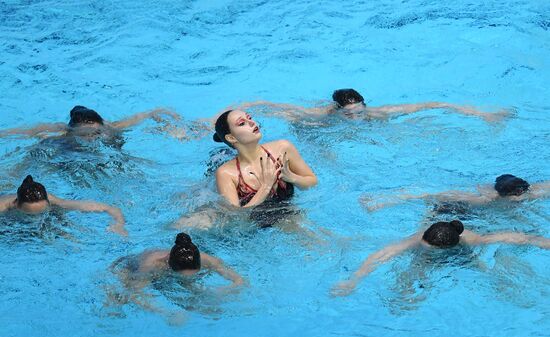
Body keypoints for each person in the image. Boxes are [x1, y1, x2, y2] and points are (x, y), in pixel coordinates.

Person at [331, 220, 550, 297]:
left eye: (431, 250)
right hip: (438, 243)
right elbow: (381, 255)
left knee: (486, 272)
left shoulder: (473, 240)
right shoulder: (416, 241)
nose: (425, 250)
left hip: (462, 252)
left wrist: (543, 242)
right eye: (425, 246)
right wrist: (354, 280)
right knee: (411, 274)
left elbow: (515, 237)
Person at [108, 232, 245, 324]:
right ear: (169, 264)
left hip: (169, 276)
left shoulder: (206, 259)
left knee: (208, 305)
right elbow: (136, 294)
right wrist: (165, 313)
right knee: (119, 299)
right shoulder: (151, 265)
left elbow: (239, 280)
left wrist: (226, 290)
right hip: (130, 268)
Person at [213, 110, 317, 226]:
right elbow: (237, 219)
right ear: (231, 138)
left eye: (249, 118)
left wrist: (291, 177)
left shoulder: (283, 148)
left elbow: (312, 181)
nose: (252, 123)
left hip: (290, 213)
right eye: (242, 123)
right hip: (256, 225)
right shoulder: (226, 173)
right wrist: (266, 186)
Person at [202, 88, 513, 125]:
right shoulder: (322, 115)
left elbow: (433, 103)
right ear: (338, 111)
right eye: (349, 114)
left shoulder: (377, 114)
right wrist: (220, 118)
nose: (356, 118)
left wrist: (482, 114)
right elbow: (268, 104)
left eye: (359, 112)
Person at [0, 175, 127, 235]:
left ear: (48, 202)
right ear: (16, 204)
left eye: (41, 212)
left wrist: (119, 225)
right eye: (30, 214)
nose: (36, 218)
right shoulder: (3, 206)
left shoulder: (56, 202)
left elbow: (109, 208)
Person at [361, 174, 550, 212]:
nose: (521, 197)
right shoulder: (482, 198)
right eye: (517, 195)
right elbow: (428, 192)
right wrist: (383, 201)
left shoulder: (530, 191)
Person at [0, 105, 181, 139]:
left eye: (97, 133)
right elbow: (26, 132)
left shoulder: (111, 127)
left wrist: (162, 113)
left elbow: (145, 114)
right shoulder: (62, 132)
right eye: (89, 134)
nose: (94, 138)